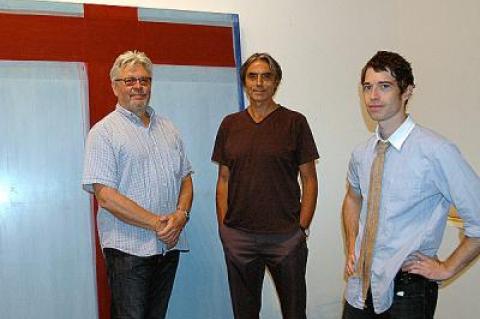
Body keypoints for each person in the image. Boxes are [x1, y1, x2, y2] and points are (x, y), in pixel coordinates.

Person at [342, 50, 480, 318]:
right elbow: (352, 197)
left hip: (409, 289)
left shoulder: (436, 151)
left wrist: (447, 268)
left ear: (406, 91)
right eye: (367, 87)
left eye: (384, 86)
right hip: (361, 284)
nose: (373, 96)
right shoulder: (362, 153)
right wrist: (351, 246)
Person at [82, 50, 193, 319]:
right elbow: (106, 196)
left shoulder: (169, 128)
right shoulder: (103, 132)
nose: (139, 86)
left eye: (145, 80)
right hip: (127, 252)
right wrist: (157, 223)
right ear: (114, 86)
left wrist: (181, 216)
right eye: (130, 81)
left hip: (167, 247)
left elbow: (186, 178)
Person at [212, 52, 319, 319]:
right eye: (252, 76)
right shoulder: (230, 124)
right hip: (240, 238)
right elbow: (223, 179)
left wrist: (301, 227)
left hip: (285, 237)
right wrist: (225, 228)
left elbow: (309, 179)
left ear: (276, 82)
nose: (259, 83)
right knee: (244, 313)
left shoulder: (295, 122)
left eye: (266, 76)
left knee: (294, 312)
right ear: (245, 82)